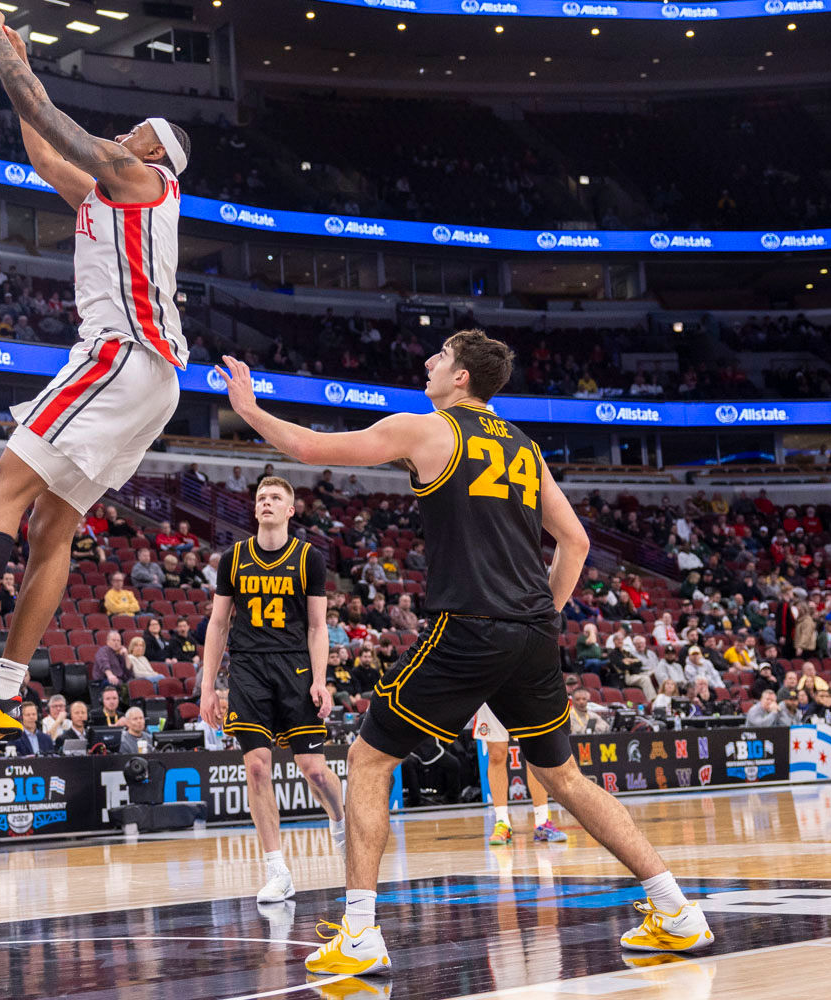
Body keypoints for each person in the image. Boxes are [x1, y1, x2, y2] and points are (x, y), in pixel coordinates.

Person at [217, 332, 712, 976]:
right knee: (563, 779)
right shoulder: (524, 447)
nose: (427, 362)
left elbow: (309, 447)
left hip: (471, 626)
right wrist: (542, 617)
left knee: (367, 759)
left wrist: (250, 409)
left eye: (439, 357)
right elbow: (577, 544)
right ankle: (677, 910)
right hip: (531, 633)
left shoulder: (428, 432)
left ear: (461, 379)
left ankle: (360, 932)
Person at [0, 5, 192, 744]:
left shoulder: (140, 176)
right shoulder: (110, 199)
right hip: (152, 380)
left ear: (156, 151)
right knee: (53, 528)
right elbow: (43, 154)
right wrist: (15, 60)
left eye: (137, 131)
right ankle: (2, 686)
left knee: (4, 490)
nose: (125, 135)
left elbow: (50, 116)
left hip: (119, 355)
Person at [198, 476, 345, 903]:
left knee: (314, 769)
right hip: (247, 669)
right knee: (257, 768)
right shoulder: (233, 558)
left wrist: (320, 680)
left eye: (275, 497)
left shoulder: (309, 558)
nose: (266, 502)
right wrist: (208, 687)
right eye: (261, 497)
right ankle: (277, 871)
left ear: (290, 510)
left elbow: (318, 627)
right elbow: (219, 623)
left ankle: (339, 819)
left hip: (296, 667)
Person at [474, 706, 568, 846]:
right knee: (496, 755)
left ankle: (542, 822)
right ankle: (502, 823)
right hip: (491, 689)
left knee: (534, 750)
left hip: (522, 687)